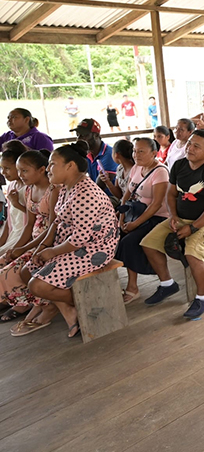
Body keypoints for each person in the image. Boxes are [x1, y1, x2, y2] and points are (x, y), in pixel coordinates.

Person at [12, 141, 118, 338]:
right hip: (68, 243)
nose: (49, 169)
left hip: (94, 248)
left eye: (53, 164)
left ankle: (85, 303)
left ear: (70, 166)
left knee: (37, 285)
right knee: (27, 272)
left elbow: (80, 238)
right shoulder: (66, 187)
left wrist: (51, 251)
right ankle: (67, 310)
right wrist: (42, 247)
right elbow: (56, 222)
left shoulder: (86, 192)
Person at [139, 130, 204, 319]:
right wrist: (173, 216)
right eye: (189, 143)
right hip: (181, 218)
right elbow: (171, 194)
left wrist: (193, 227)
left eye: (197, 146)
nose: (190, 148)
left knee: (193, 254)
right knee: (148, 243)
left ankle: (203, 298)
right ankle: (167, 284)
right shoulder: (179, 165)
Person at [0, 149, 55, 322]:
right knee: (3, 260)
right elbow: (29, 224)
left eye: (25, 170)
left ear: (41, 169)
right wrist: (17, 248)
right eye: (19, 171)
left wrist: (24, 249)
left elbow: (52, 227)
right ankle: (21, 300)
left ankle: (26, 303)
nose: (20, 175)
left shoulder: (53, 190)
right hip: (33, 242)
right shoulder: (30, 190)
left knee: (7, 272)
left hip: (48, 243)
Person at [115, 137, 169, 304]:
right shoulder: (136, 168)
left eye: (141, 151)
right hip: (135, 214)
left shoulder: (161, 171)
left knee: (130, 241)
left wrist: (134, 224)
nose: (136, 155)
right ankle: (118, 283)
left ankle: (133, 287)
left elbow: (156, 204)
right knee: (116, 235)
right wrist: (121, 219)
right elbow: (126, 195)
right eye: (134, 151)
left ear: (154, 153)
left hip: (157, 218)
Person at [70, 119, 117, 197]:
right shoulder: (87, 154)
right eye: (78, 135)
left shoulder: (109, 154)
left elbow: (100, 186)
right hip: (96, 195)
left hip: (109, 197)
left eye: (84, 135)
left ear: (96, 135)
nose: (79, 139)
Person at [0, 141, 27, 257]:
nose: (3, 173)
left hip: (24, 237)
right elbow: (9, 220)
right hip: (13, 235)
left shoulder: (29, 188)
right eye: (1, 168)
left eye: (7, 168)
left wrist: (16, 203)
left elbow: (37, 217)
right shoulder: (12, 186)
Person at [98, 139, 134, 208]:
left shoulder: (135, 170)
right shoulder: (120, 169)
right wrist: (107, 182)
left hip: (132, 206)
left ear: (116, 155)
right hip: (124, 204)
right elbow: (119, 194)